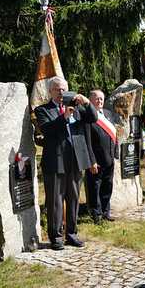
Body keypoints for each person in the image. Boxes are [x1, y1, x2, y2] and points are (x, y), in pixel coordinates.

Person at [35, 76, 97, 250]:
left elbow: (93, 119)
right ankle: (56, 236)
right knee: (55, 199)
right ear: (50, 91)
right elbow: (46, 129)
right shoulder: (43, 110)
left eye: (63, 89)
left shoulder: (77, 108)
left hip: (76, 160)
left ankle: (72, 233)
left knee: (74, 198)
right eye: (57, 89)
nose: (61, 93)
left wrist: (86, 102)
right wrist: (64, 116)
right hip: (56, 160)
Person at [85, 89, 118, 224]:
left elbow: (114, 135)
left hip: (109, 159)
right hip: (96, 160)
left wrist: (115, 153)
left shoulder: (108, 114)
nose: (99, 101)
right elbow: (87, 141)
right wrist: (91, 161)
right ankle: (96, 214)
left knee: (107, 186)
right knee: (95, 187)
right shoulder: (87, 116)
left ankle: (105, 211)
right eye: (97, 98)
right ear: (90, 100)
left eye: (101, 99)